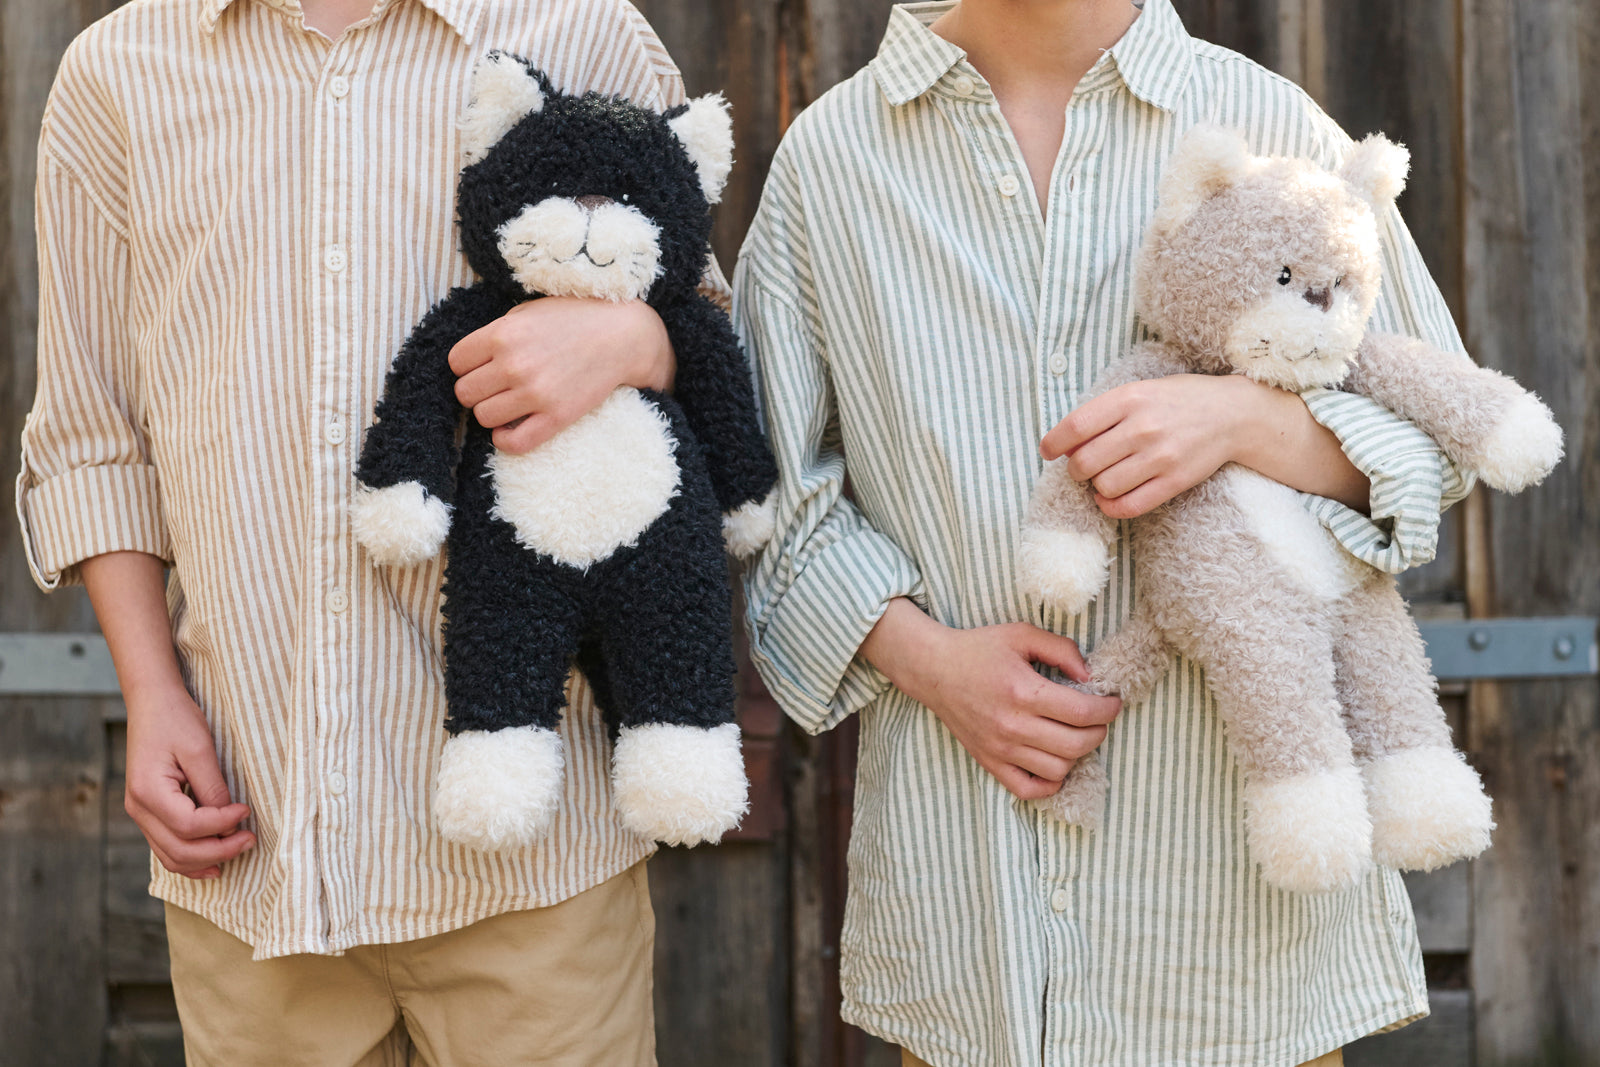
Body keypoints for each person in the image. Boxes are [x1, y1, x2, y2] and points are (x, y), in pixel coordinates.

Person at [735, 0, 1470, 1064]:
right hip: (972, 926)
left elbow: (1440, 439)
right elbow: (761, 486)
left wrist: (1247, 422)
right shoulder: (833, 159)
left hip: (1238, 948)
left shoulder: (1269, 121)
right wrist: (927, 658)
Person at [17, 0, 714, 1062]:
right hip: (255, 836)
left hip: (534, 858)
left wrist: (634, 342)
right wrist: (151, 693)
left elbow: (712, 330)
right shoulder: (119, 71)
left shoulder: (582, 29)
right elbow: (93, 430)